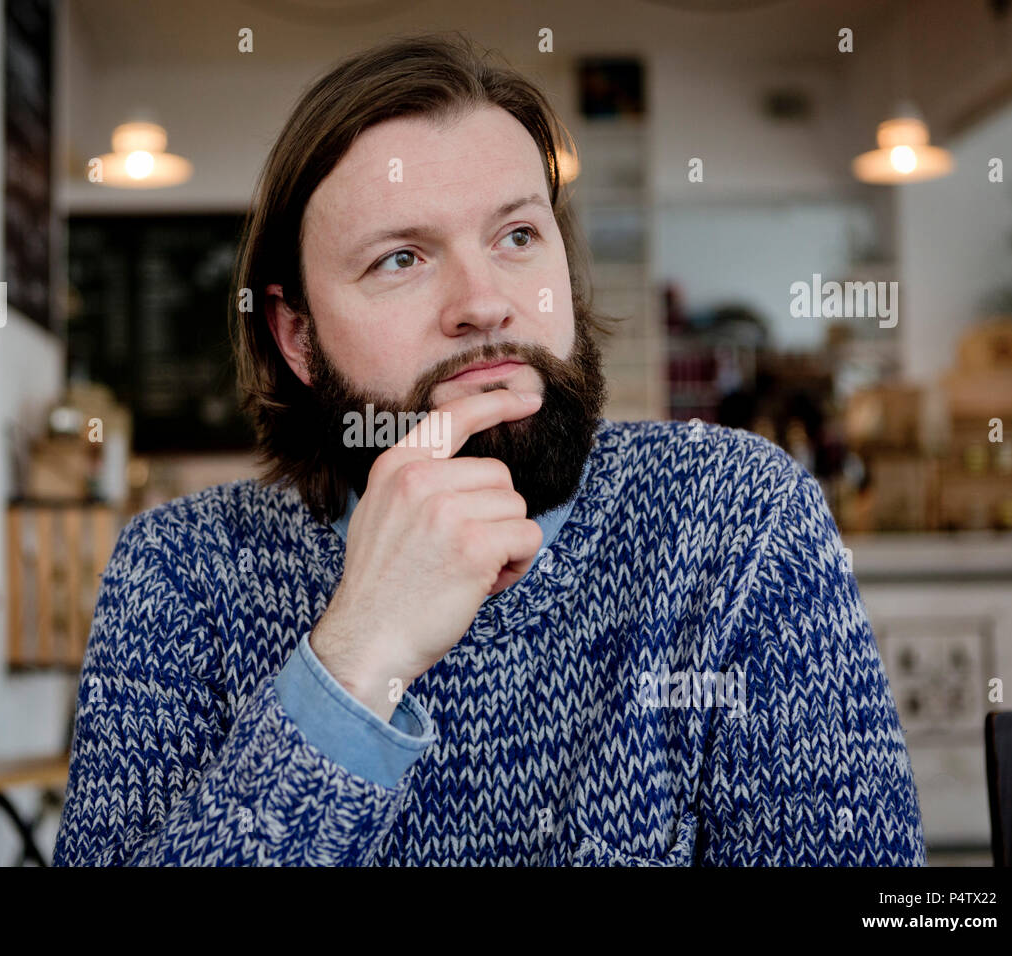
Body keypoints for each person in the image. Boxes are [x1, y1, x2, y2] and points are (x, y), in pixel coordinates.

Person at [52, 32, 926, 866]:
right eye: (400, 258)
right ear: (296, 337)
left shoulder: (736, 518)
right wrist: (355, 658)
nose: (485, 302)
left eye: (517, 236)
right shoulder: (182, 572)